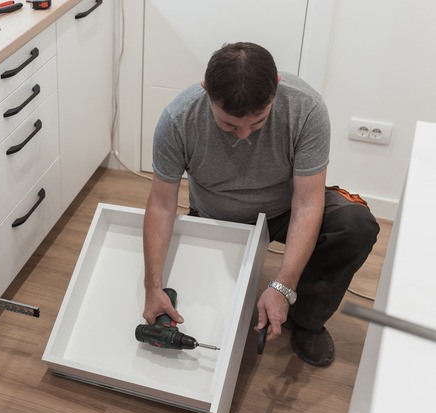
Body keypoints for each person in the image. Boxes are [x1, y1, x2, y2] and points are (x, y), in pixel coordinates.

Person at [142, 42, 380, 366]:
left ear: (276, 87)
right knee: (213, 311)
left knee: (355, 225)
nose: (243, 135)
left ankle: (308, 322)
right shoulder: (178, 119)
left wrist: (283, 287)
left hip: (284, 208)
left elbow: (309, 204)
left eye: (257, 123)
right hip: (215, 215)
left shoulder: (305, 107)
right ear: (206, 91)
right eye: (228, 124)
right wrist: (152, 285)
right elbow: (161, 206)